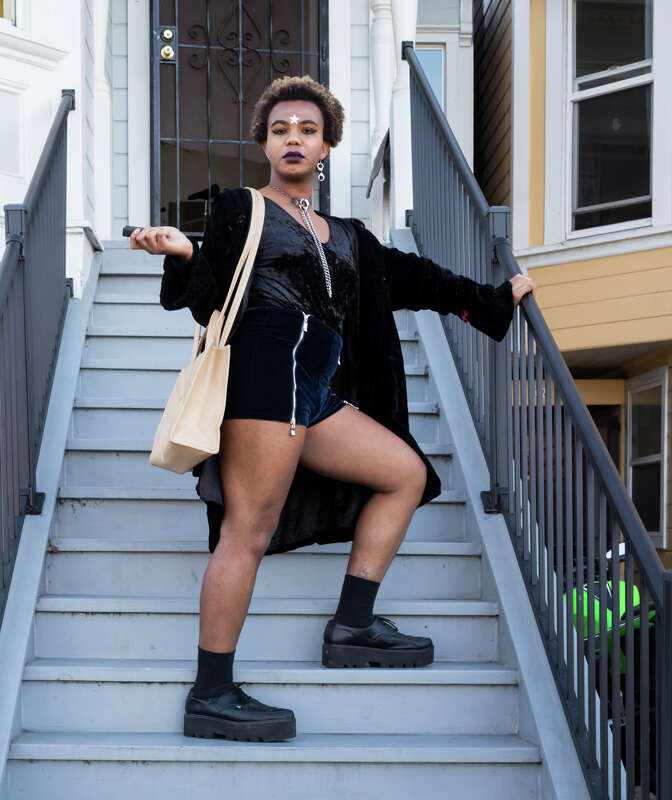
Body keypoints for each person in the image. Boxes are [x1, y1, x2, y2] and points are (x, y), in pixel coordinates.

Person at [129, 75, 537, 743]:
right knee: (247, 532)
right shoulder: (240, 210)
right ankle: (211, 693)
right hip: (267, 366)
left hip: (312, 382)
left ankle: (353, 623)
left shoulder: (346, 235)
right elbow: (204, 298)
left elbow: (418, 279)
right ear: (263, 143)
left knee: (405, 474)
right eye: (281, 129)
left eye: (308, 130)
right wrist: (182, 253)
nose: (294, 138)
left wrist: (491, 300)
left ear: (326, 148)